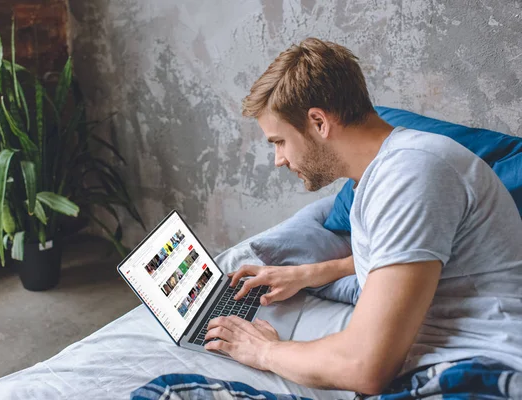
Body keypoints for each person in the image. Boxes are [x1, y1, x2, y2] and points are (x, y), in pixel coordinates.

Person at [203, 38, 522, 395]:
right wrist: (307, 274)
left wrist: (263, 350)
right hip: (450, 363)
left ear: (318, 122)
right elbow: (406, 258)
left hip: (480, 374)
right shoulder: (385, 173)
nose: (279, 159)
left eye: (279, 141)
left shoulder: (412, 175)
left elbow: (365, 367)